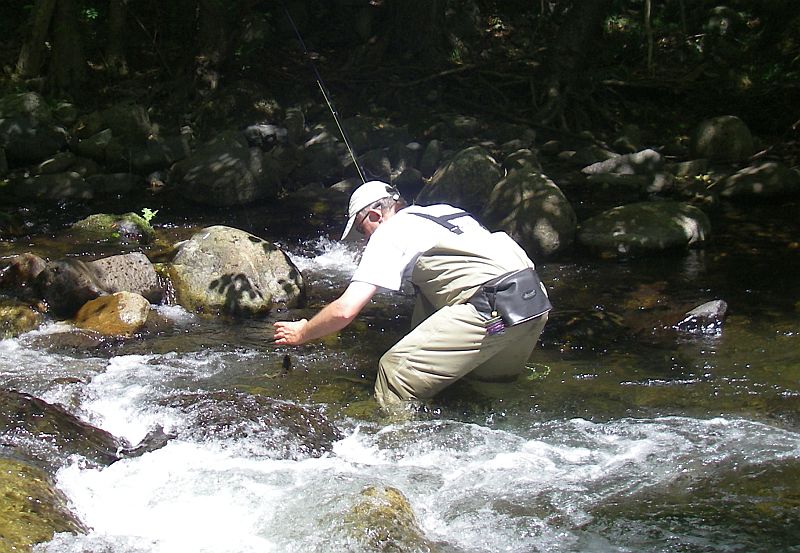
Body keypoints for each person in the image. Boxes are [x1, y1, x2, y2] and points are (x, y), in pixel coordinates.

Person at [273, 180, 550, 408]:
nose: (365, 239)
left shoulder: (388, 232)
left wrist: (303, 331)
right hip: (533, 302)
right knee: (484, 390)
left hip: (491, 307)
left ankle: (399, 460)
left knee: (394, 374)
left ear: (374, 216)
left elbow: (346, 310)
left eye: (362, 230)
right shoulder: (446, 212)